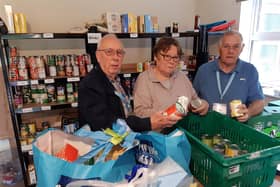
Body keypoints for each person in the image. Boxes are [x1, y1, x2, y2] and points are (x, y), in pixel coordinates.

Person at [78, 34, 181, 132]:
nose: (115, 57)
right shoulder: (90, 85)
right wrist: (147, 123)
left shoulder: (117, 80)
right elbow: (105, 125)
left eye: (120, 53)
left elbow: (124, 114)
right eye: (109, 52)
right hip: (103, 146)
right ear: (98, 56)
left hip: (123, 141)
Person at [193, 30, 265, 122]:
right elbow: (192, 98)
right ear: (219, 47)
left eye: (236, 46)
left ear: (242, 48)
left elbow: (259, 102)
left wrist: (249, 112)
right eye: (226, 46)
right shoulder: (204, 70)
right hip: (205, 125)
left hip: (236, 128)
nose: (231, 51)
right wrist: (198, 104)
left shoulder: (250, 71)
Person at [133, 37, 209, 121]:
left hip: (183, 130)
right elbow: (140, 113)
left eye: (175, 57)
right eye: (167, 56)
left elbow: (194, 101)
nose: (171, 61)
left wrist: (202, 105)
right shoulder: (145, 79)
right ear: (155, 56)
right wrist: (169, 113)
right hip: (157, 132)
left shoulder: (182, 77)